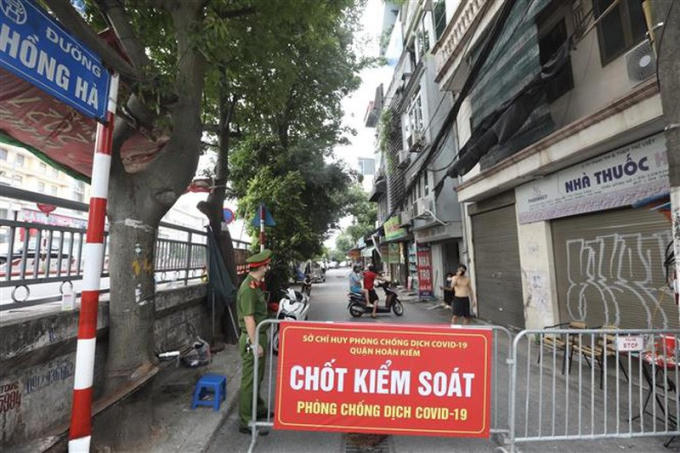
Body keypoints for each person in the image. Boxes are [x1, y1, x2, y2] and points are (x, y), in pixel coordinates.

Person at [237, 249, 272, 435]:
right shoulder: (248, 289)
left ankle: (258, 409)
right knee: (250, 380)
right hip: (253, 337)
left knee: (258, 377)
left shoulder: (255, 285)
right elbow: (249, 318)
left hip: (258, 335)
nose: (268, 268)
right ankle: (246, 421)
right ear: (261, 267)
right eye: (266, 265)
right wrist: (255, 343)